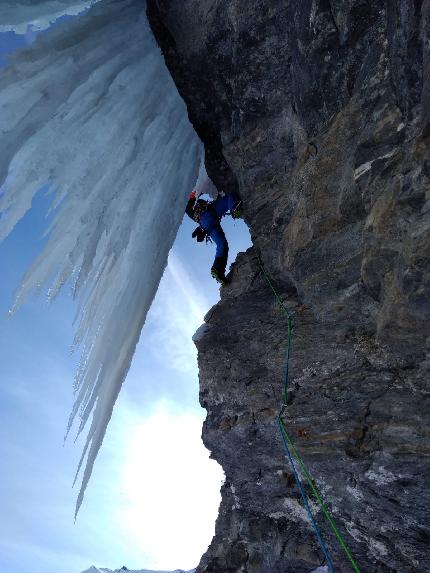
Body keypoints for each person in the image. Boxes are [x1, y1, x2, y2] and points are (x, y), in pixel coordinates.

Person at [185, 189, 243, 284]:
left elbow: (193, 202)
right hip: (211, 212)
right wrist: (206, 188)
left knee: (222, 245)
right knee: (229, 197)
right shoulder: (189, 204)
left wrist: (201, 229)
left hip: (207, 226)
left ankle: (217, 269)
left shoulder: (189, 210)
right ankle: (234, 208)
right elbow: (198, 191)